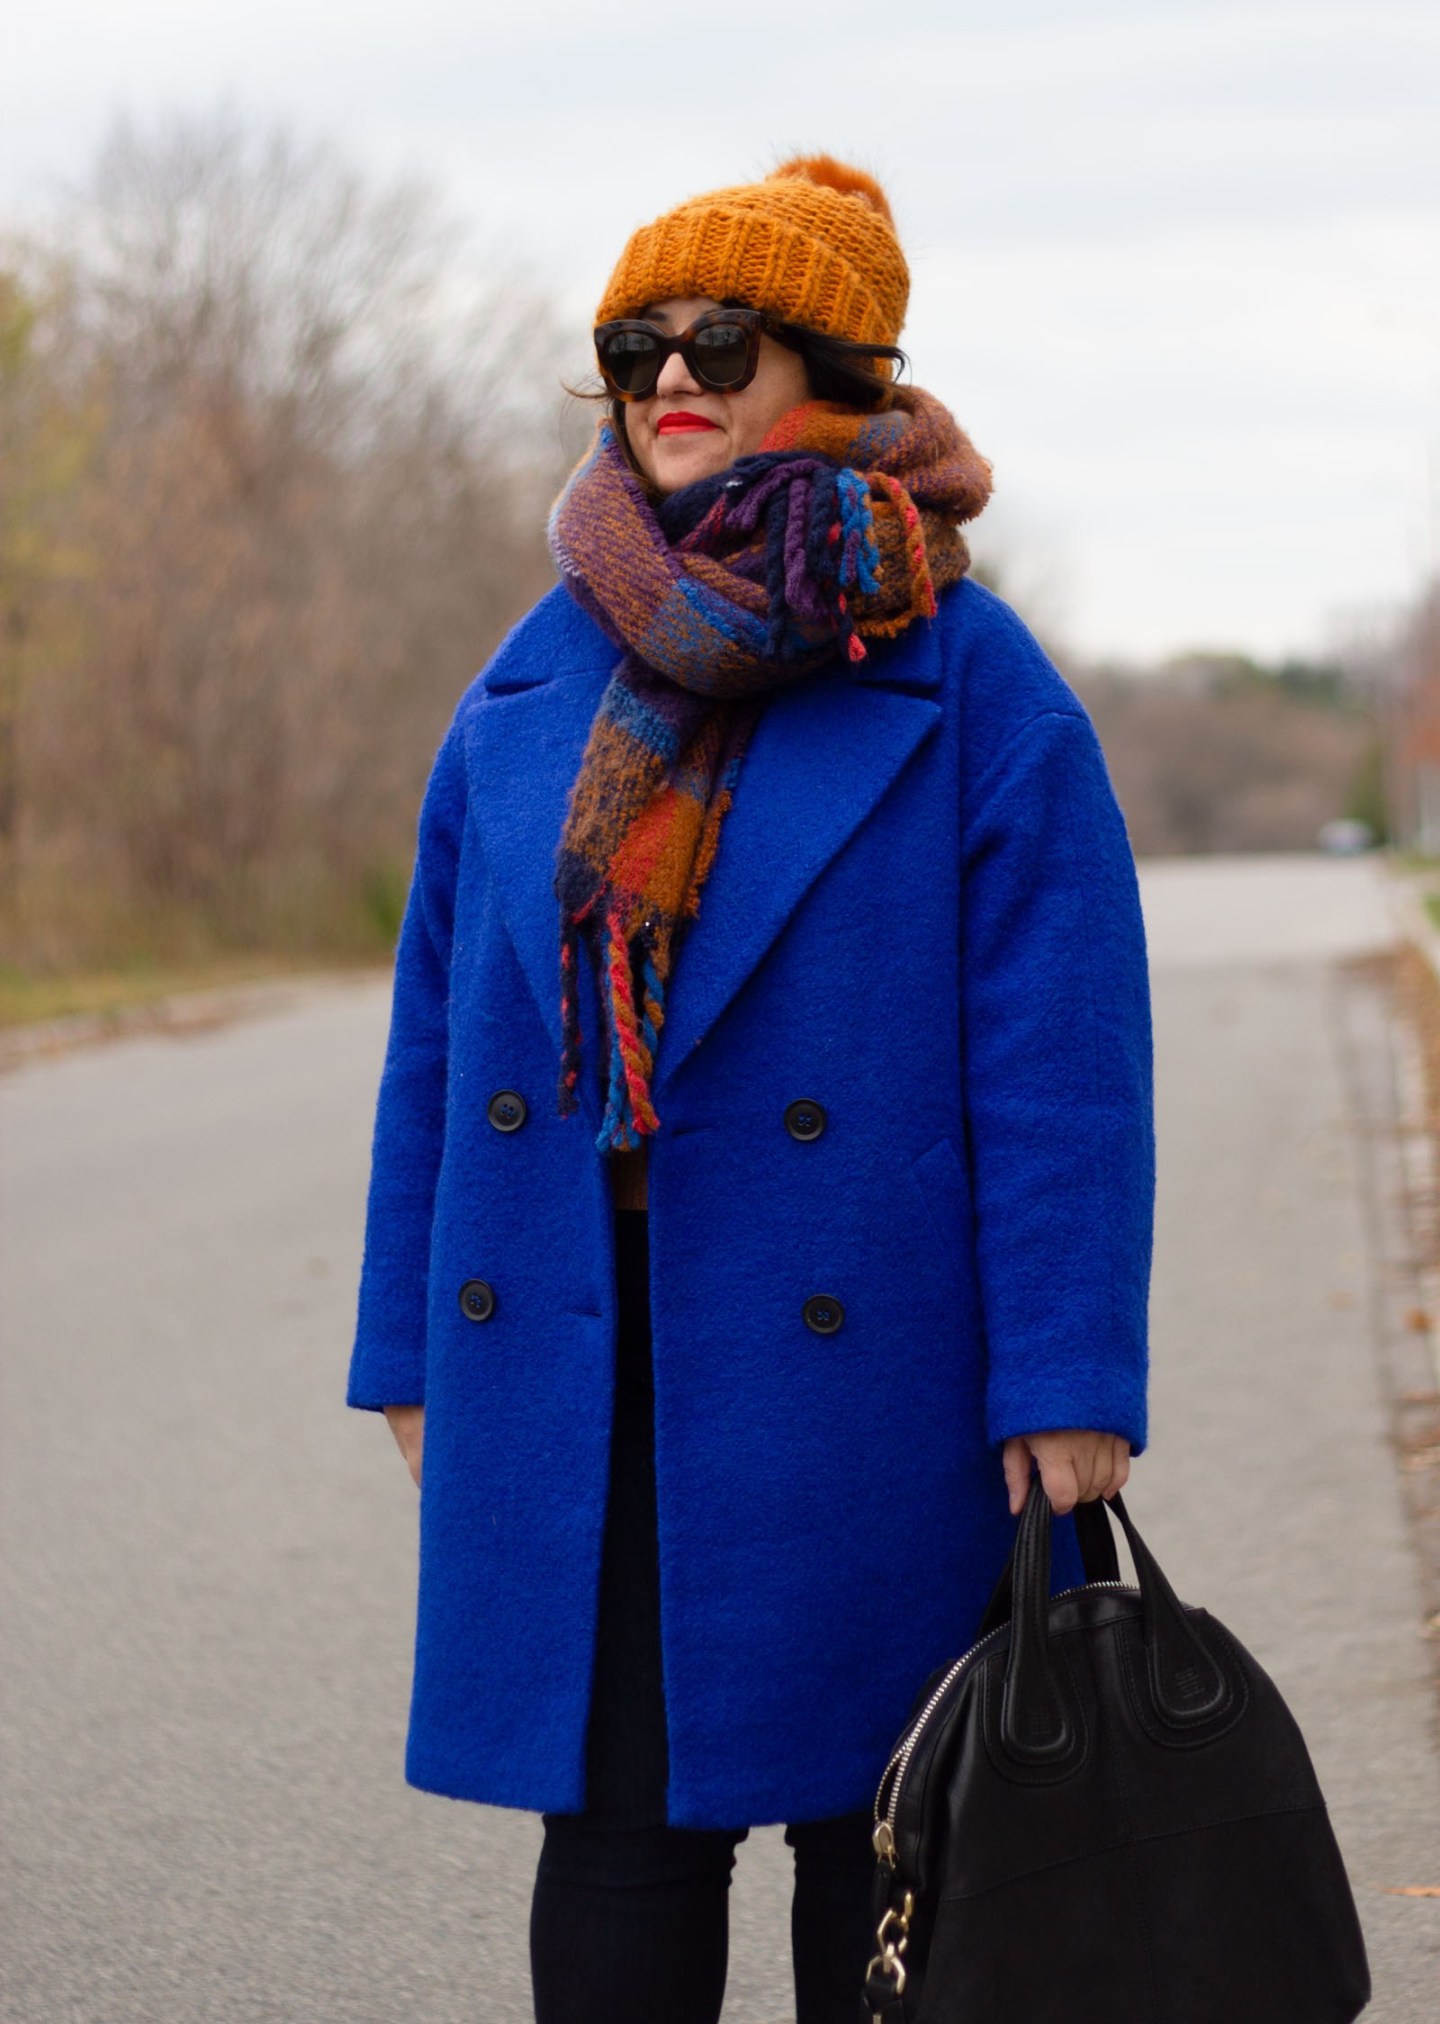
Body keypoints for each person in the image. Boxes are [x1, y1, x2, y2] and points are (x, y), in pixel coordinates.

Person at [347, 154, 1153, 2024]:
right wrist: (414, 1338)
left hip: (882, 1362)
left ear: (844, 373)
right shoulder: (533, 675)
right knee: (614, 1840)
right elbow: (440, 1041)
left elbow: (1066, 1074)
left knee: (880, 1837)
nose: (672, 378)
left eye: (727, 339)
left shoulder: (978, 682)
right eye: (637, 345)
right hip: (590, 1347)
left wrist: (1069, 1381)